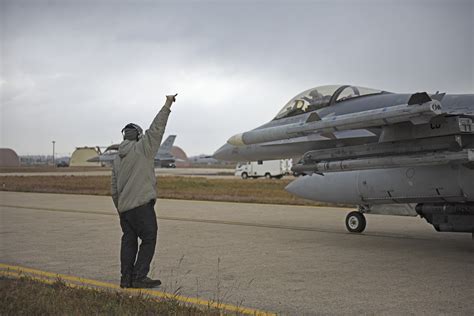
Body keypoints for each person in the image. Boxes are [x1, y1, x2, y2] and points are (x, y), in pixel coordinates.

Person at [111, 94, 177, 288]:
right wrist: (167, 104)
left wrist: (120, 207)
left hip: (125, 210)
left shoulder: (116, 159)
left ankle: (126, 279)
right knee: (149, 238)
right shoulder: (143, 148)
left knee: (128, 241)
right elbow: (157, 128)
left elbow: (114, 189)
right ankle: (139, 276)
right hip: (141, 206)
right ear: (139, 135)